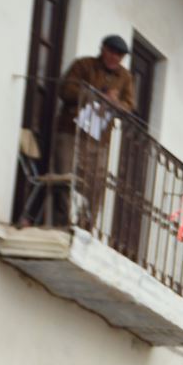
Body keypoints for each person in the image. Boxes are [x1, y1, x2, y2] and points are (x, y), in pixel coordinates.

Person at [51, 35, 137, 227]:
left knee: (95, 184)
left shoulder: (125, 77)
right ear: (103, 49)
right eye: (112, 52)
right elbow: (66, 90)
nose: (115, 58)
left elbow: (129, 106)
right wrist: (95, 95)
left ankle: (86, 225)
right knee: (62, 177)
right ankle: (60, 222)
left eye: (119, 55)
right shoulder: (84, 65)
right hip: (71, 130)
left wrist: (115, 103)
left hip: (99, 139)